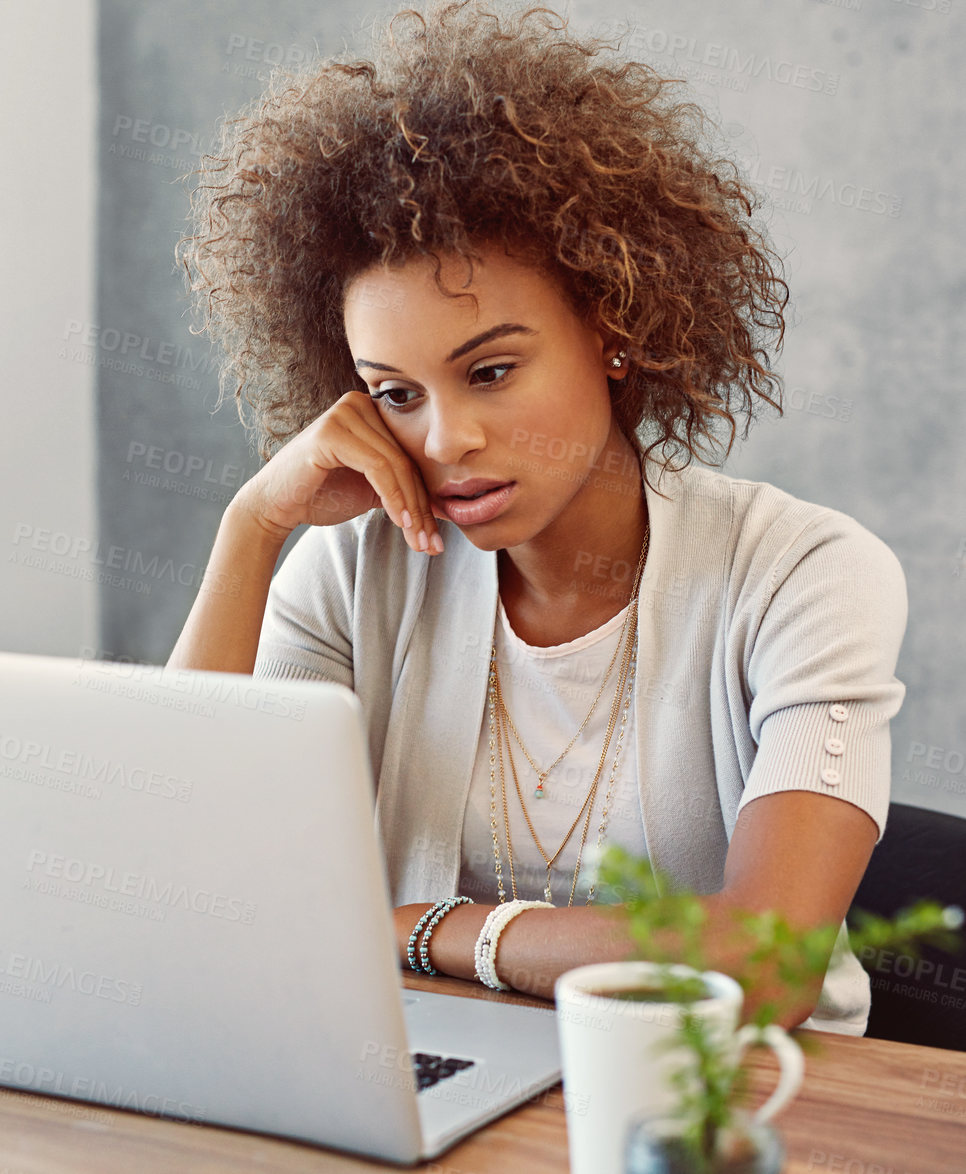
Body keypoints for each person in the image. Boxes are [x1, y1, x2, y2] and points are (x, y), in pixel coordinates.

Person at [169, 0, 907, 1034]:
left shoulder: (802, 573)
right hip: (428, 1075)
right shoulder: (346, 575)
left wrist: (430, 927)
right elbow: (187, 882)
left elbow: (768, 963)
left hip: (735, 1108)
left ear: (615, 325)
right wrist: (251, 527)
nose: (444, 440)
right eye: (394, 392)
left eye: (492, 371)